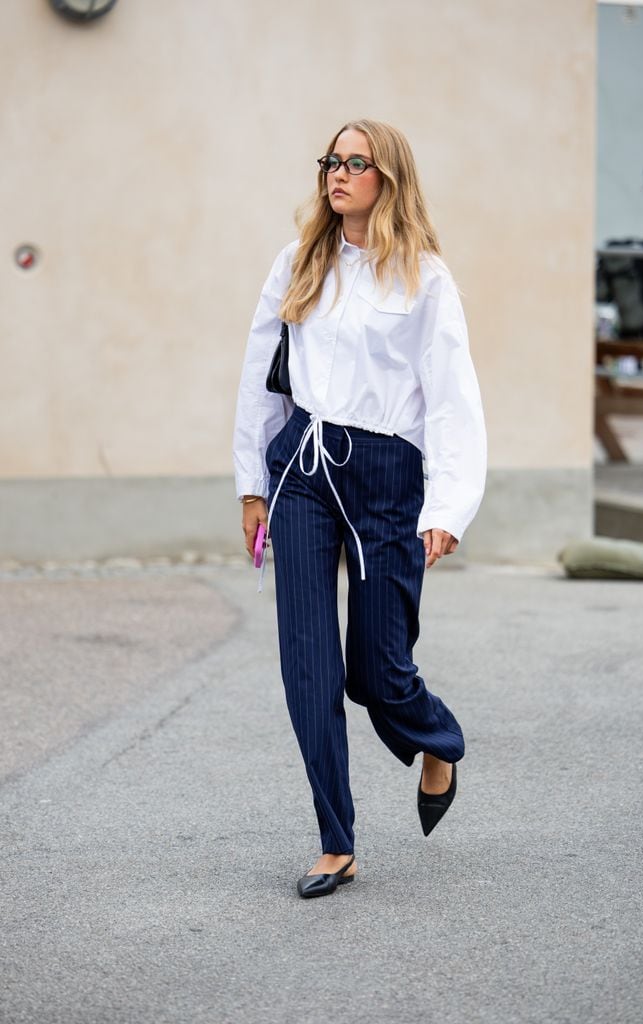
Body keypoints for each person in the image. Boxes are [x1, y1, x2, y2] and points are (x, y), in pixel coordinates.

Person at [233, 119, 487, 898]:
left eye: (354, 163)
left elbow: (450, 398)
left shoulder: (424, 277)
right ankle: (335, 841)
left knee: (375, 671)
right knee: (308, 667)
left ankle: (437, 740)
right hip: (302, 469)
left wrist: (447, 504)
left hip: (386, 477)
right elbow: (259, 371)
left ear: (386, 177)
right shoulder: (298, 261)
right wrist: (251, 481)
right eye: (330, 162)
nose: (336, 174)